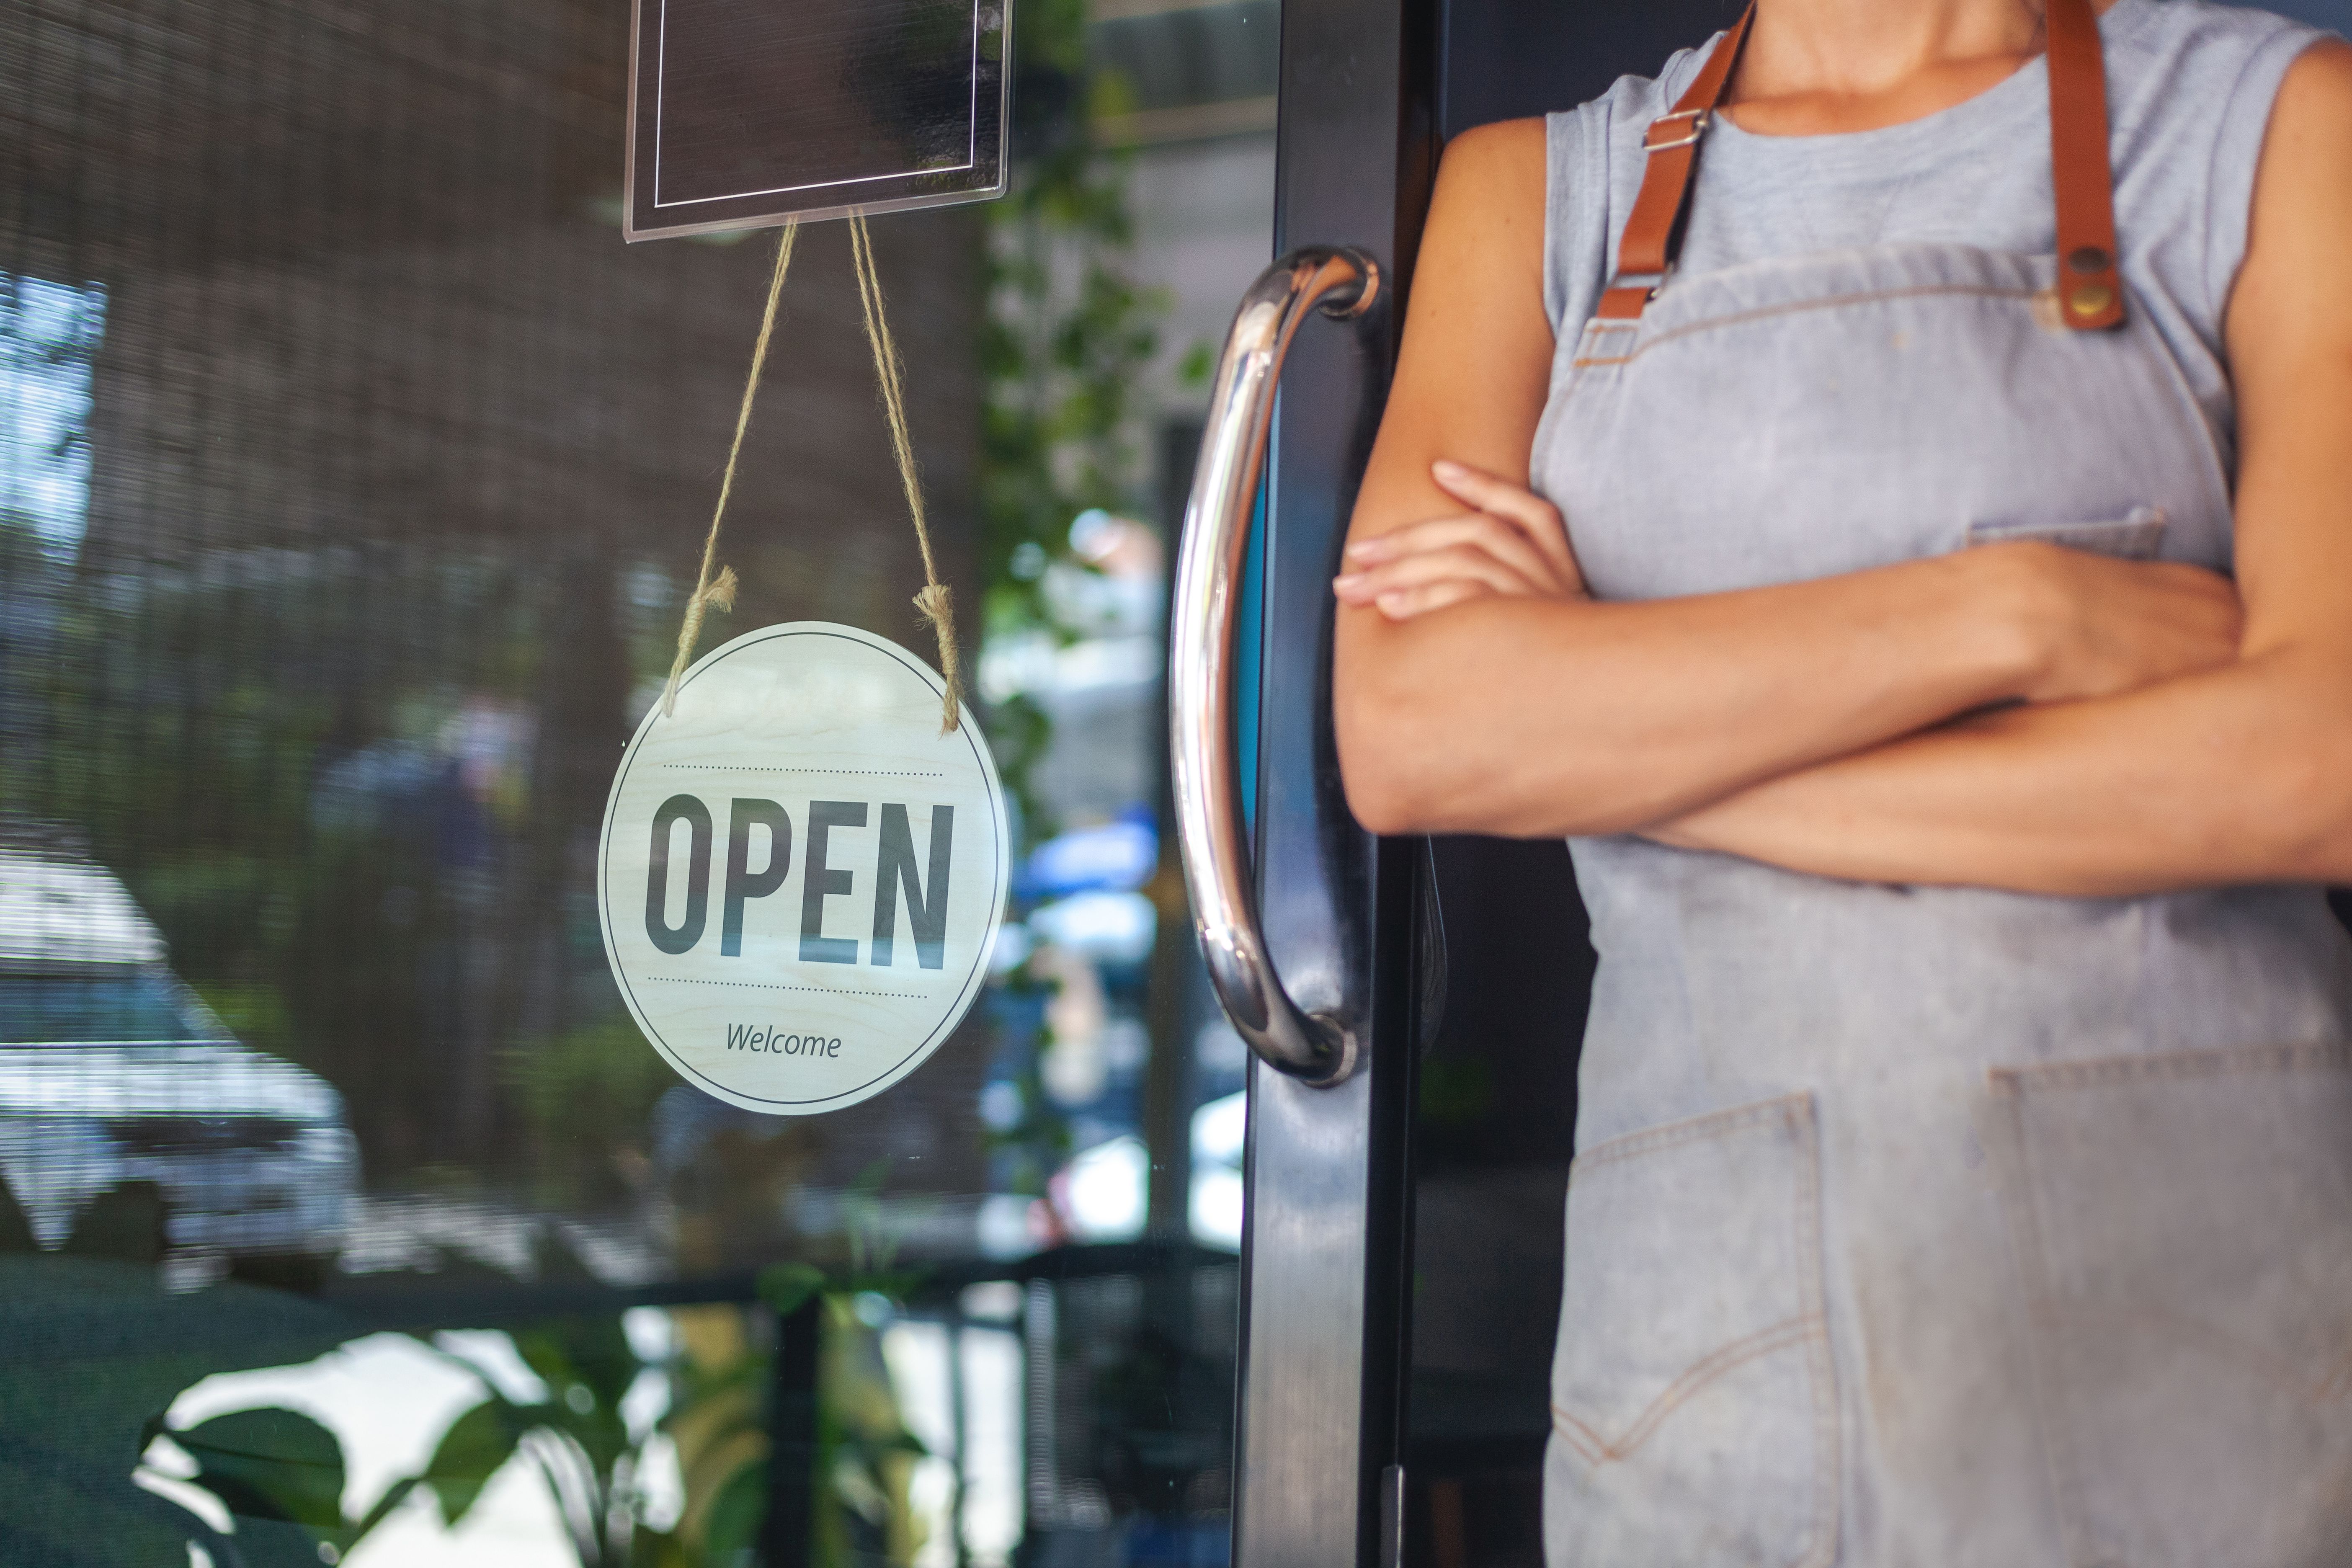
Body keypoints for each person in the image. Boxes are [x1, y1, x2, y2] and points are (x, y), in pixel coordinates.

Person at [1330, 0, 2352, 1560]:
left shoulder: (2281, 124)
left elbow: (2311, 764)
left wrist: (1611, 745)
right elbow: (1409, 733)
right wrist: (2010, 611)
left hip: (2202, 1328)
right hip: (1703, 1367)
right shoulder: (1533, 196)